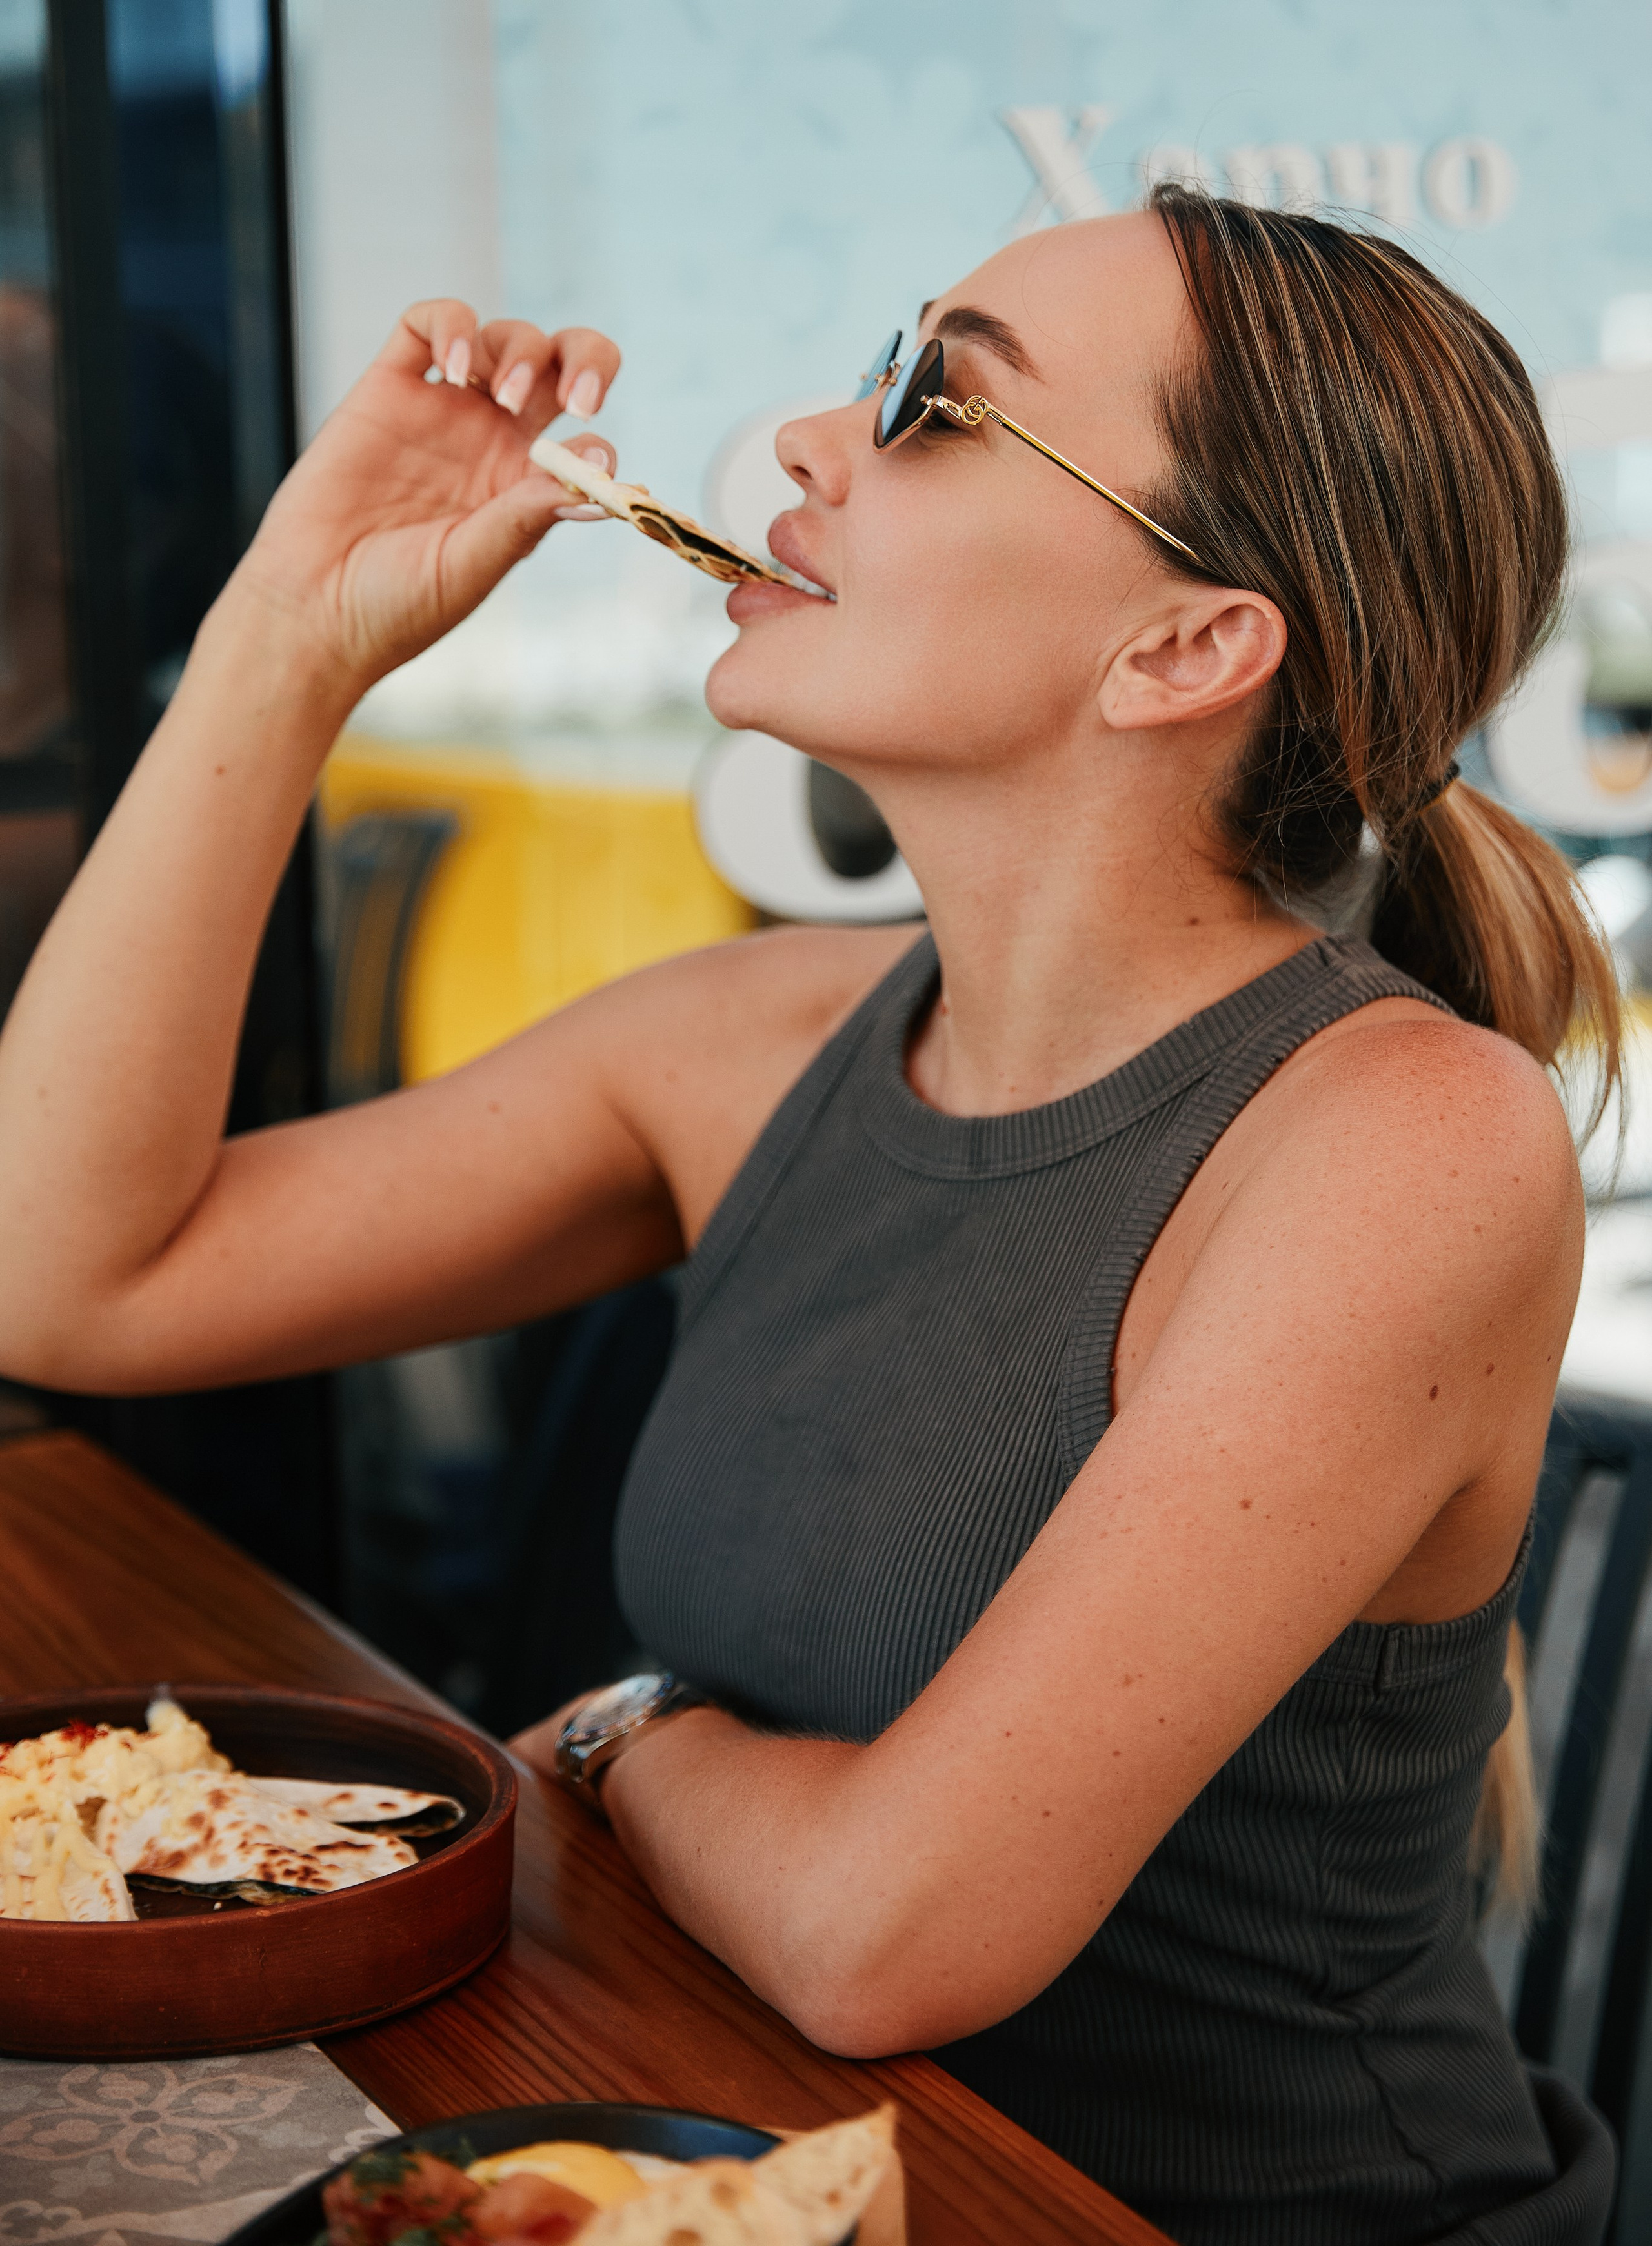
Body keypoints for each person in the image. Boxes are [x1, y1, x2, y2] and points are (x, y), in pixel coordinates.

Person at [0, 192, 1622, 2245]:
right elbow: (70, 1275)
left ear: (1188, 647)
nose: (802, 439)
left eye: (936, 404)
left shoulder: (1404, 1144)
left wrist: (622, 1728)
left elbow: (882, 1939)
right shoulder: (764, 1036)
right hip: (763, 2164)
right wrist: (286, 633)